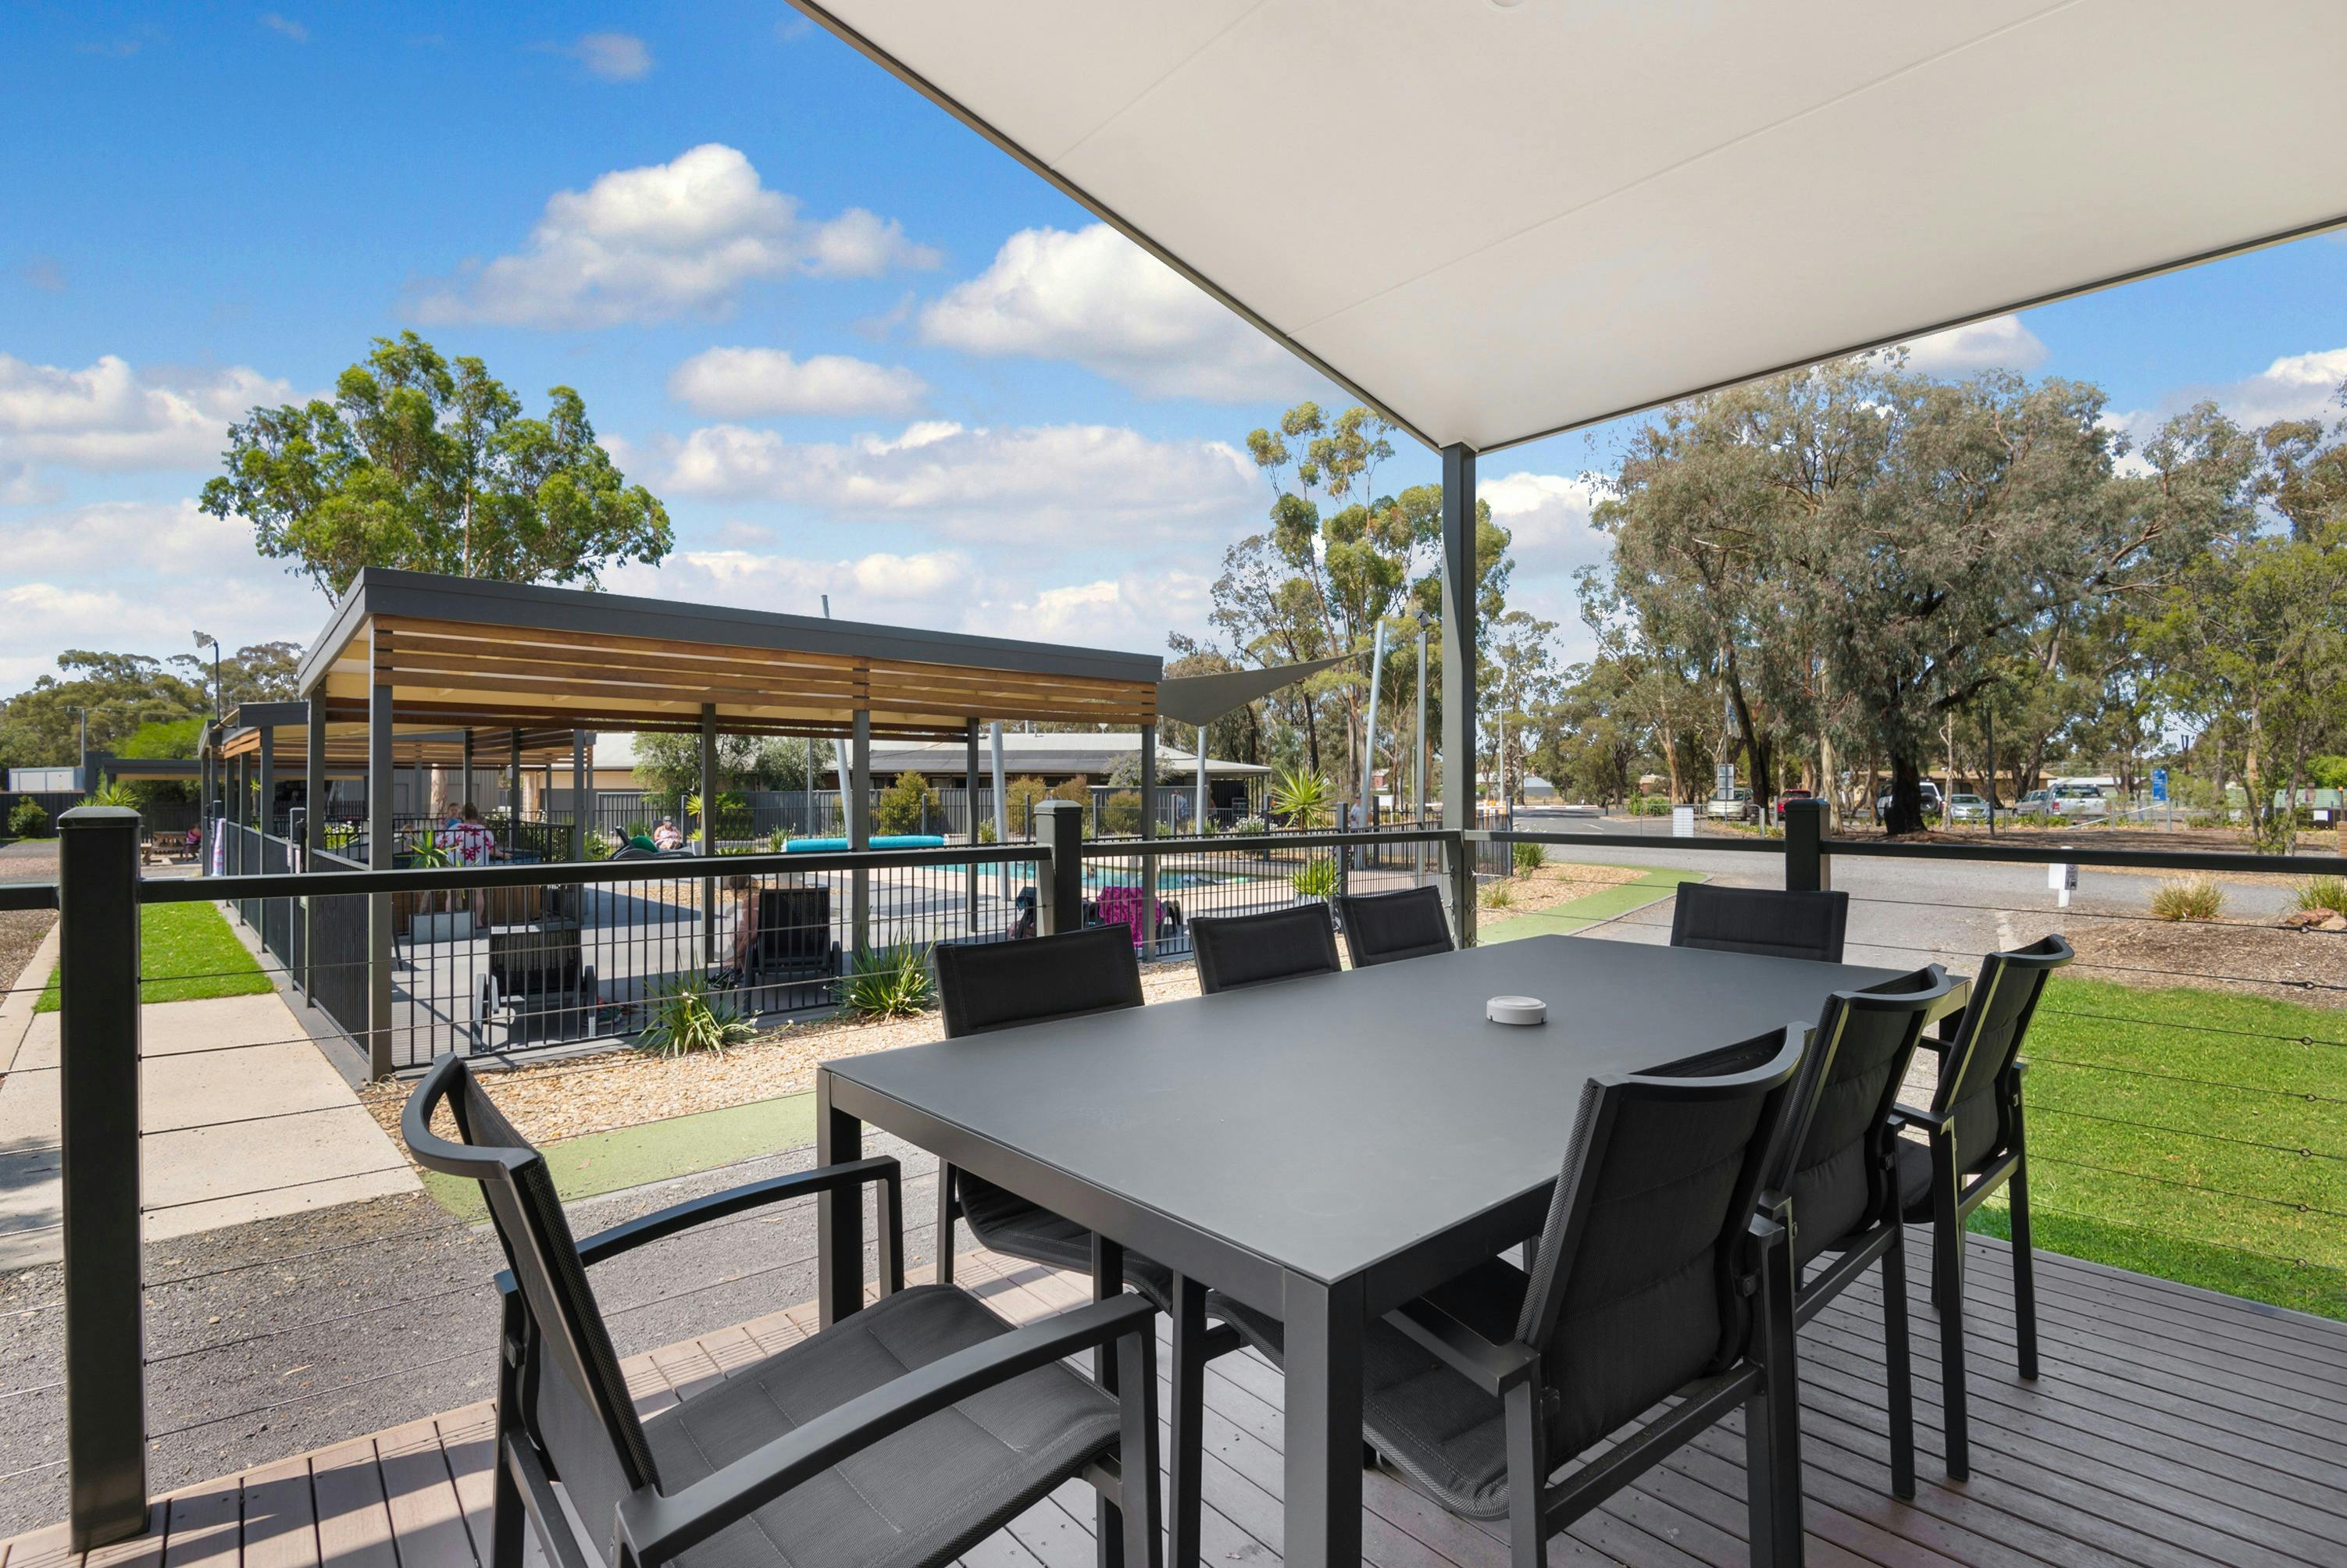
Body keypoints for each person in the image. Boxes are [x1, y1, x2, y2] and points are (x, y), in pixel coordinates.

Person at [436, 802, 501, 925]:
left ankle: (450, 923)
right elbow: (491, 850)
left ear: (463, 816)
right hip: (478, 867)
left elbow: (439, 842)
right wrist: (504, 855)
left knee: (451, 894)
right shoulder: (485, 832)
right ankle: (477, 921)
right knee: (479, 893)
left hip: (456, 866)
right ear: (477, 816)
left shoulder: (456, 828)